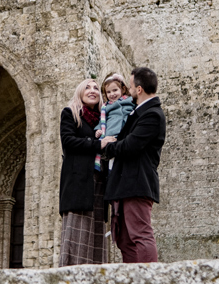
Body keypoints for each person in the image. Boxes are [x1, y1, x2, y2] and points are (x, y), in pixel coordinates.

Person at [102, 67, 166, 263]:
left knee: (140, 234)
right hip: (124, 183)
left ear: (139, 89)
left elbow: (131, 145)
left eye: (129, 86)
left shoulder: (152, 114)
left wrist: (108, 147)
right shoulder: (138, 112)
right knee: (124, 239)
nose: (127, 90)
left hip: (137, 183)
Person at [59, 78, 112, 266]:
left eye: (96, 88)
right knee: (77, 235)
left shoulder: (105, 120)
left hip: (99, 181)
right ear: (79, 93)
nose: (92, 90)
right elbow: (68, 142)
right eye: (87, 87)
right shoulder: (70, 114)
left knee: (97, 234)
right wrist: (98, 144)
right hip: (78, 184)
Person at [94, 73, 135, 171]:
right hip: (111, 136)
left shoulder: (130, 101)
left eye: (115, 90)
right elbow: (102, 120)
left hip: (125, 135)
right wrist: (98, 130)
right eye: (108, 92)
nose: (112, 94)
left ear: (123, 89)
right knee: (112, 164)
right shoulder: (106, 107)